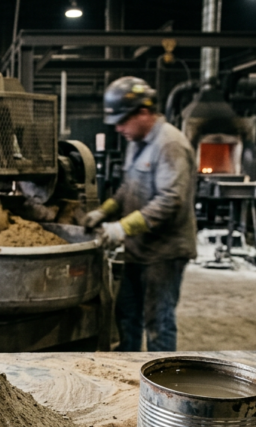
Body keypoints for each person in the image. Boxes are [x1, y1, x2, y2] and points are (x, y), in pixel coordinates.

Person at [85, 77, 197, 352]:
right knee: (127, 315)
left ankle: (162, 383)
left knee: (157, 321)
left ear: (144, 113)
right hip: (139, 248)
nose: (119, 128)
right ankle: (128, 374)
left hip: (164, 252)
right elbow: (129, 187)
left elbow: (170, 200)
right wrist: (104, 211)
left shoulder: (170, 144)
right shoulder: (136, 140)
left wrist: (121, 228)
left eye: (123, 121)